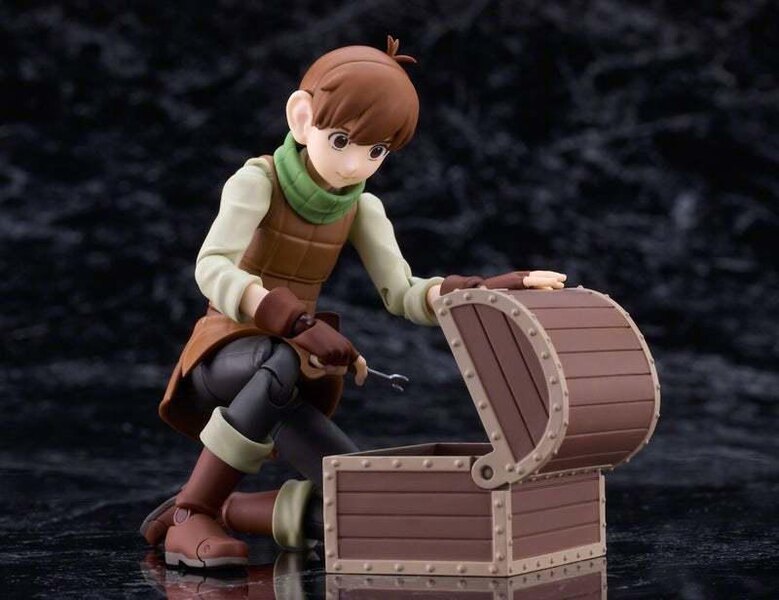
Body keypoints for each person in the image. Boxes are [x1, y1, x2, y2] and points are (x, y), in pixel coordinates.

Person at [141, 36, 567, 569]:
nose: (355, 163)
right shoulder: (257, 182)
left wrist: (482, 289)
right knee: (279, 360)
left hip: (289, 370)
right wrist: (294, 321)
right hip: (223, 353)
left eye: (376, 151)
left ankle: (223, 508)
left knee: (365, 493)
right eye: (341, 140)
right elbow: (211, 268)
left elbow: (404, 293)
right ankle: (191, 514)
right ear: (302, 118)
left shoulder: (362, 209)